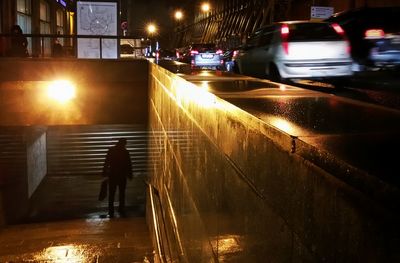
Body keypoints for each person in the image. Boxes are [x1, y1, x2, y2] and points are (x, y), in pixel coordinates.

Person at [102, 138, 133, 217]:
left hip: (112, 175)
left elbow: (106, 161)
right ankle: (121, 209)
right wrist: (130, 175)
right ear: (123, 143)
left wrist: (104, 172)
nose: (125, 145)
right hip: (122, 176)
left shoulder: (111, 150)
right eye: (125, 144)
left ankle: (111, 210)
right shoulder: (125, 152)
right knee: (122, 193)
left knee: (111, 194)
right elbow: (129, 164)